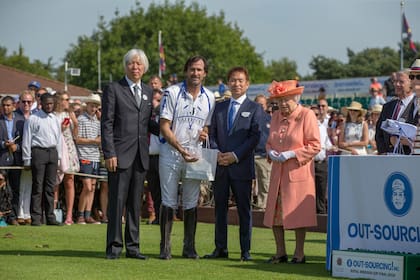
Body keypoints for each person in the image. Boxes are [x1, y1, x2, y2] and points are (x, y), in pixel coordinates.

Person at [102, 49, 159, 260]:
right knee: (117, 203)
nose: (135, 67)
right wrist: (109, 152)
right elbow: (106, 123)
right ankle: (114, 247)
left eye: (139, 64)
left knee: (135, 204)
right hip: (119, 156)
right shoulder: (113, 89)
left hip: (140, 156)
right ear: (125, 66)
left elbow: (147, 123)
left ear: (144, 68)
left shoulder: (147, 91)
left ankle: (133, 248)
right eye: (131, 63)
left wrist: (168, 128)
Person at [158, 55, 215, 260]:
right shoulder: (171, 92)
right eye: (192, 69)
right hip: (171, 153)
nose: (196, 73)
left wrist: (204, 133)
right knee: (169, 200)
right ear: (186, 71)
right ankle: (165, 248)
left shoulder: (210, 97)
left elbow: (207, 125)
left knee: (191, 201)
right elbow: (164, 126)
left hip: (195, 155)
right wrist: (181, 149)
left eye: (200, 70)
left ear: (205, 73)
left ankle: (189, 247)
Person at [205, 66, 262, 262]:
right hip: (221, 165)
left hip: (241, 166)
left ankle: (245, 250)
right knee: (219, 208)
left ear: (247, 84)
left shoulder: (255, 108)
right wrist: (218, 153)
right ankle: (220, 248)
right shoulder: (219, 107)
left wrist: (235, 155)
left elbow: (254, 138)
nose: (236, 84)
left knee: (244, 210)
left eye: (240, 80)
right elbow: (212, 134)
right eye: (233, 80)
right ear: (228, 83)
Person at [263, 79, 320, 265]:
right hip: (278, 173)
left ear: (296, 98)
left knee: (298, 215)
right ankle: (280, 252)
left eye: (285, 100)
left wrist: (292, 154)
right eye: (278, 101)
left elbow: (315, 145)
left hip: (298, 172)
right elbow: (270, 141)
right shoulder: (276, 116)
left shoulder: (307, 115)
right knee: (275, 214)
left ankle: (299, 253)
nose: (282, 105)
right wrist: (270, 151)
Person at [22, 93, 63, 226]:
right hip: (38, 152)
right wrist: (27, 159)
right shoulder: (33, 118)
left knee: (50, 187)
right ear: (41, 103)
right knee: (38, 186)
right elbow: (26, 139)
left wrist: (59, 158)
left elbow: (59, 139)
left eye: (51, 103)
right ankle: (36, 218)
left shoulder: (55, 119)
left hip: (52, 152)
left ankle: (50, 217)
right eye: (47, 103)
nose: (49, 106)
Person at [375, 70, 417, 155]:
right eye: (395, 81)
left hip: (412, 160)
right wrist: (384, 152)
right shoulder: (388, 107)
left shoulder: (417, 106)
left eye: (401, 82)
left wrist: (408, 142)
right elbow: (379, 134)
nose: (396, 84)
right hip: (389, 161)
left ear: (411, 83)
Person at [75, 93, 101, 225]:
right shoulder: (81, 119)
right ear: (87, 105)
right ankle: (80, 215)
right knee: (87, 187)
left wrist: (98, 141)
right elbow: (77, 140)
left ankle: (88, 214)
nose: (94, 108)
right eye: (92, 105)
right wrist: (94, 141)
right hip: (84, 156)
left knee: (92, 186)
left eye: (96, 106)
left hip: (95, 156)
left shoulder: (97, 121)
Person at [54, 92, 79, 225]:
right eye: (64, 99)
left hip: (69, 148)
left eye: (68, 99)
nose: (67, 102)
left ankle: (69, 215)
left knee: (69, 180)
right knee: (55, 183)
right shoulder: (52, 114)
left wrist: (75, 124)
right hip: (56, 148)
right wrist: (60, 128)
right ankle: (53, 212)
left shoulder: (70, 114)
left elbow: (75, 136)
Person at [0, 96, 25, 226]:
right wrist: (4, 144)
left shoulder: (21, 121)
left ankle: (13, 216)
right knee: (2, 189)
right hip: (2, 159)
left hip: (16, 159)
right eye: (3, 105)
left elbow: (25, 140)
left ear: (14, 106)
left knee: (15, 189)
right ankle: (2, 216)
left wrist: (17, 147)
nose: (6, 108)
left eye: (8, 105)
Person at [15, 91, 34, 225]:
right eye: (24, 101)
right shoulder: (15, 117)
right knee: (21, 186)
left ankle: (27, 213)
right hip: (18, 156)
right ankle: (20, 213)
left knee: (30, 185)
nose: (26, 104)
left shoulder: (35, 116)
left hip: (34, 156)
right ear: (19, 103)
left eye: (29, 102)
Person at [145, 89, 162, 225]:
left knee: (164, 190)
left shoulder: (164, 118)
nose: (156, 104)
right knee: (154, 189)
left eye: (158, 100)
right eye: (154, 100)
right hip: (148, 157)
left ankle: (165, 216)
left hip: (162, 156)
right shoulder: (144, 118)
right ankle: (157, 216)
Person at [310, 105, 332, 214]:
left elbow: (327, 143)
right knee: (309, 193)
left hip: (321, 162)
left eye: (316, 115)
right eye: (312, 114)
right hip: (309, 163)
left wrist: (331, 146)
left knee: (322, 192)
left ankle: (322, 216)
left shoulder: (322, 127)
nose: (314, 117)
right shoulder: (305, 127)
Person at [253, 94, 271, 210]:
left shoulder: (271, 119)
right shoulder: (248, 117)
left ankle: (262, 207)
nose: (260, 106)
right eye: (258, 104)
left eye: (262, 104)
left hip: (264, 156)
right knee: (246, 184)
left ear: (266, 106)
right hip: (249, 155)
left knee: (265, 183)